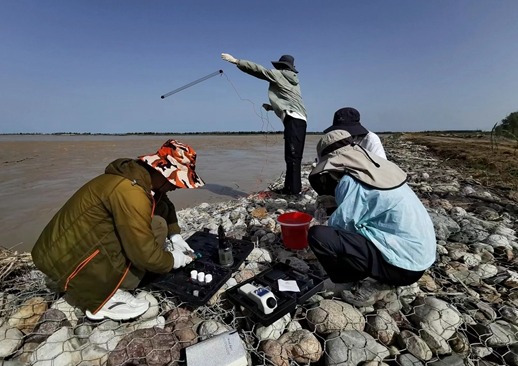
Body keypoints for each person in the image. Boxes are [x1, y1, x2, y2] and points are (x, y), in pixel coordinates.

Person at [31, 139, 205, 321]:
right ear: (160, 171)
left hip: (58, 251)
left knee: (159, 223)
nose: (177, 186)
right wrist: (172, 260)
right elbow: (144, 254)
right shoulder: (131, 192)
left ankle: (114, 281)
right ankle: (106, 295)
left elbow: (163, 203)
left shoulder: (139, 178)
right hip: (61, 259)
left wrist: (175, 235)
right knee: (154, 229)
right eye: (175, 181)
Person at [307, 130, 436, 306]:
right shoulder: (379, 170)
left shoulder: (348, 181)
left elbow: (340, 228)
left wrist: (324, 217)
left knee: (319, 236)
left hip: (403, 268)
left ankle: (345, 281)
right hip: (420, 257)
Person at [221, 52, 307, 195]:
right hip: (298, 121)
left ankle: (294, 192)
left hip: (294, 121)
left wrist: (237, 61)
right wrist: (273, 107)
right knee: (293, 156)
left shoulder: (280, 75)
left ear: (282, 67)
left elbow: (259, 70)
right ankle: (290, 188)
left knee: (292, 156)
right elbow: (291, 101)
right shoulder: (293, 81)